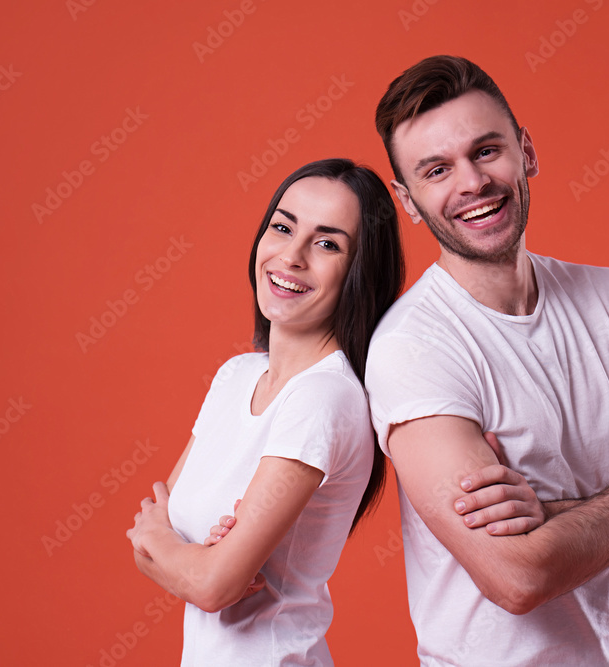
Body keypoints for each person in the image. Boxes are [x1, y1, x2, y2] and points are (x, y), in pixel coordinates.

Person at [363, 56, 609, 665]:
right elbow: (517, 580)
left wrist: (547, 517)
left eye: (487, 150)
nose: (472, 183)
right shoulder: (412, 349)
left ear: (526, 151)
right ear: (410, 201)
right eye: (437, 170)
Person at [125, 158, 544, 666]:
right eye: (282, 227)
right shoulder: (235, 376)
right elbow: (167, 544)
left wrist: (174, 549)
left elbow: (207, 580)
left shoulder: (324, 397)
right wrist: (187, 556)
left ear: (357, 272)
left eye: (327, 244)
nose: (292, 256)